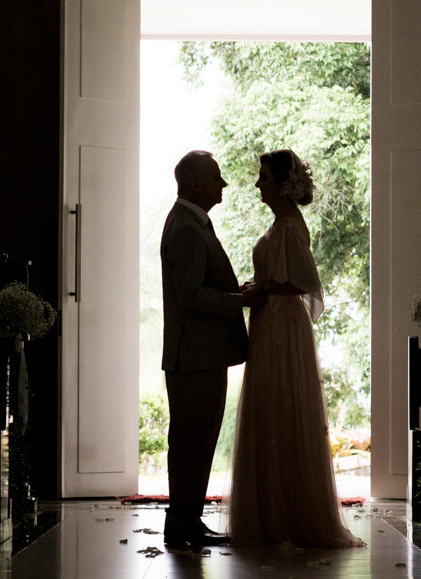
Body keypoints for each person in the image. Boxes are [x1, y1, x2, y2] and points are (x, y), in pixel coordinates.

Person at [228, 149, 365, 548]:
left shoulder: (287, 227)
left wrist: (261, 288)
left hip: (282, 326)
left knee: (281, 409)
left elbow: (305, 281)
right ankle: (274, 514)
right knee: (273, 411)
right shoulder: (282, 223)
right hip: (273, 322)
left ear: (284, 186)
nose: (258, 184)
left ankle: (286, 516)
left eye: (264, 177)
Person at [160, 149, 263, 551]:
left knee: (197, 441)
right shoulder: (186, 227)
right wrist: (240, 299)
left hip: (201, 357)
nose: (223, 184)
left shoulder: (192, 222)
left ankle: (188, 520)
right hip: (195, 358)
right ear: (195, 183)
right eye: (216, 177)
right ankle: (182, 523)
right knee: (190, 442)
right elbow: (190, 294)